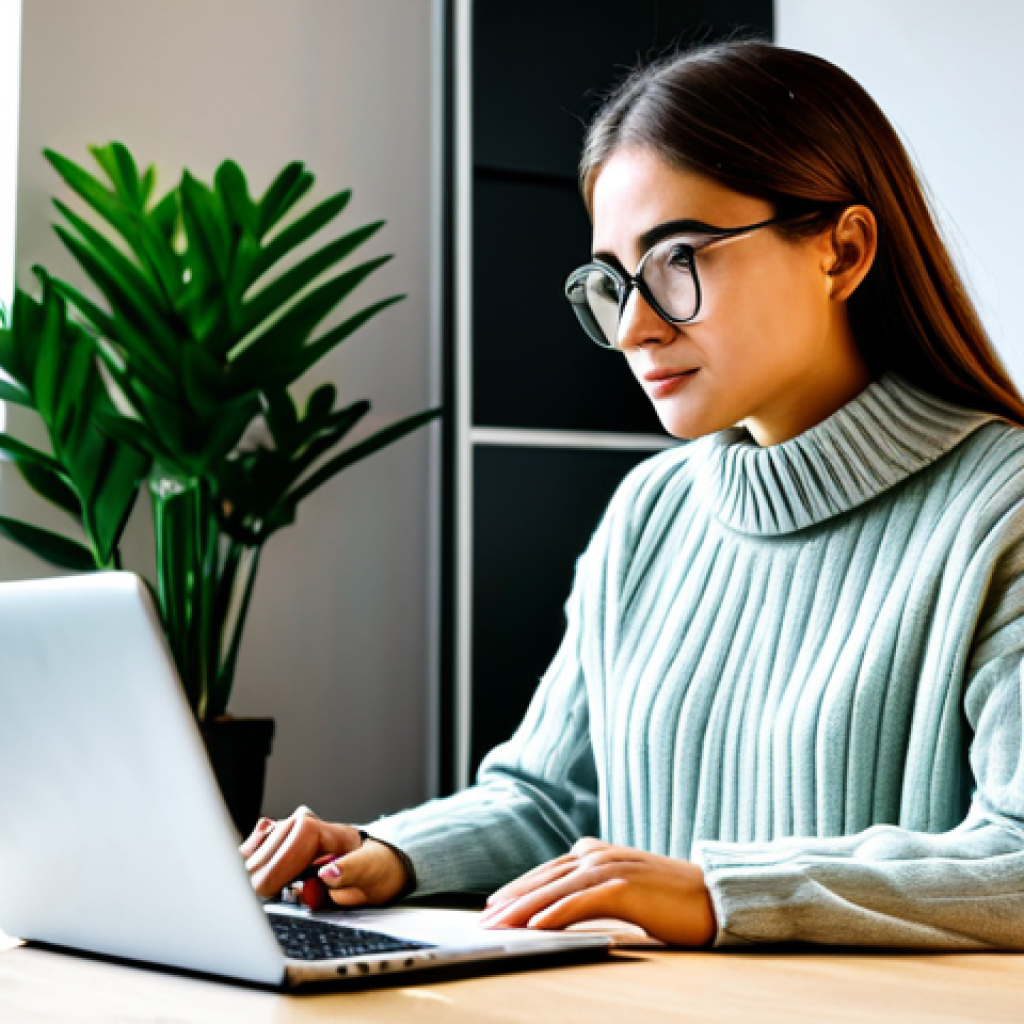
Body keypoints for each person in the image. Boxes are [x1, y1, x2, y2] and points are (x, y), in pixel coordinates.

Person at [241, 40, 1024, 949]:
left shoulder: (999, 512)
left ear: (842, 251)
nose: (635, 326)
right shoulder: (649, 513)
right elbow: (549, 798)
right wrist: (385, 851)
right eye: (613, 281)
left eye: (679, 259)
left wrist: (715, 894)